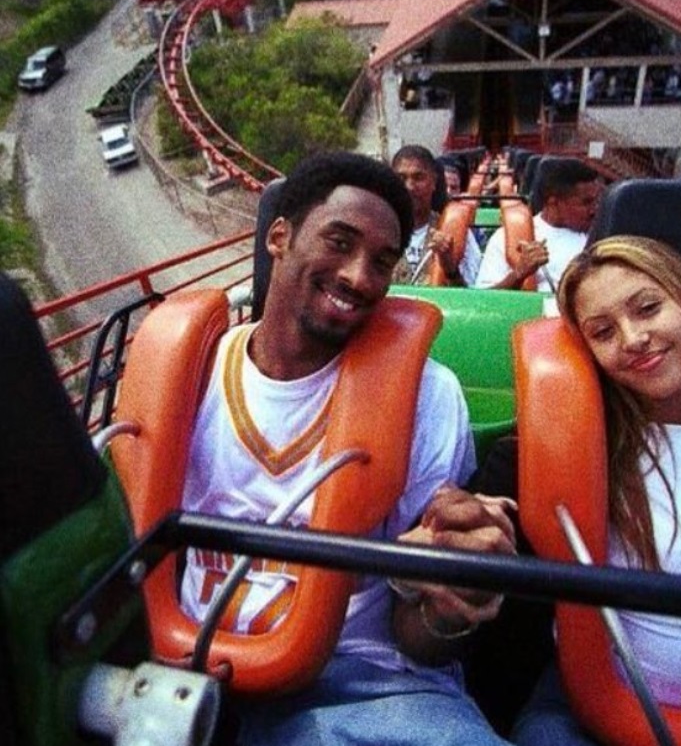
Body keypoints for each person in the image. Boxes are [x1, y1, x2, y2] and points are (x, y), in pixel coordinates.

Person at [179, 152, 516, 746]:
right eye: (339, 242)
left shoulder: (426, 395)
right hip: (187, 671)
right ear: (278, 237)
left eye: (383, 262)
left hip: (368, 687)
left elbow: (418, 640)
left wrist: (448, 598)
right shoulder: (188, 371)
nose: (360, 276)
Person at [511, 235, 681, 745]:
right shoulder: (584, 446)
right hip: (591, 711)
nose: (633, 339)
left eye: (648, 308)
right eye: (603, 332)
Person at [475, 158, 600, 293]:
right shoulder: (509, 237)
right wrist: (518, 274)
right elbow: (483, 300)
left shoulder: (601, 235)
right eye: (586, 203)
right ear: (553, 202)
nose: (594, 209)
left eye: (596, 201)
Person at [391, 144, 482, 286]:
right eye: (401, 178)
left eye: (418, 177)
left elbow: (471, 302)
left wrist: (450, 269)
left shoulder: (456, 232)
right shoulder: (377, 231)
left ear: (433, 182)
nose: (409, 186)